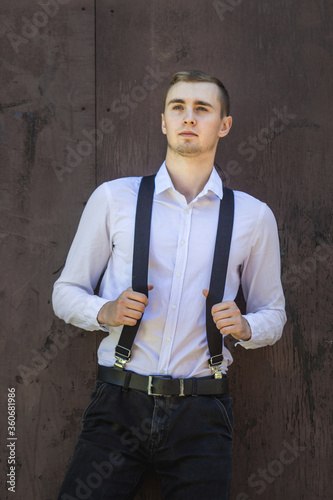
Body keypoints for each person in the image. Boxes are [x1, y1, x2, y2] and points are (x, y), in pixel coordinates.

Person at [52, 69, 286, 500]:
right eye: (178, 107)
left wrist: (246, 326)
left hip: (203, 411)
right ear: (163, 120)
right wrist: (103, 312)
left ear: (224, 124)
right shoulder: (114, 198)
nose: (189, 118)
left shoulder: (254, 217)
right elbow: (65, 291)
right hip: (119, 401)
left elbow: (274, 313)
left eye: (203, 109)